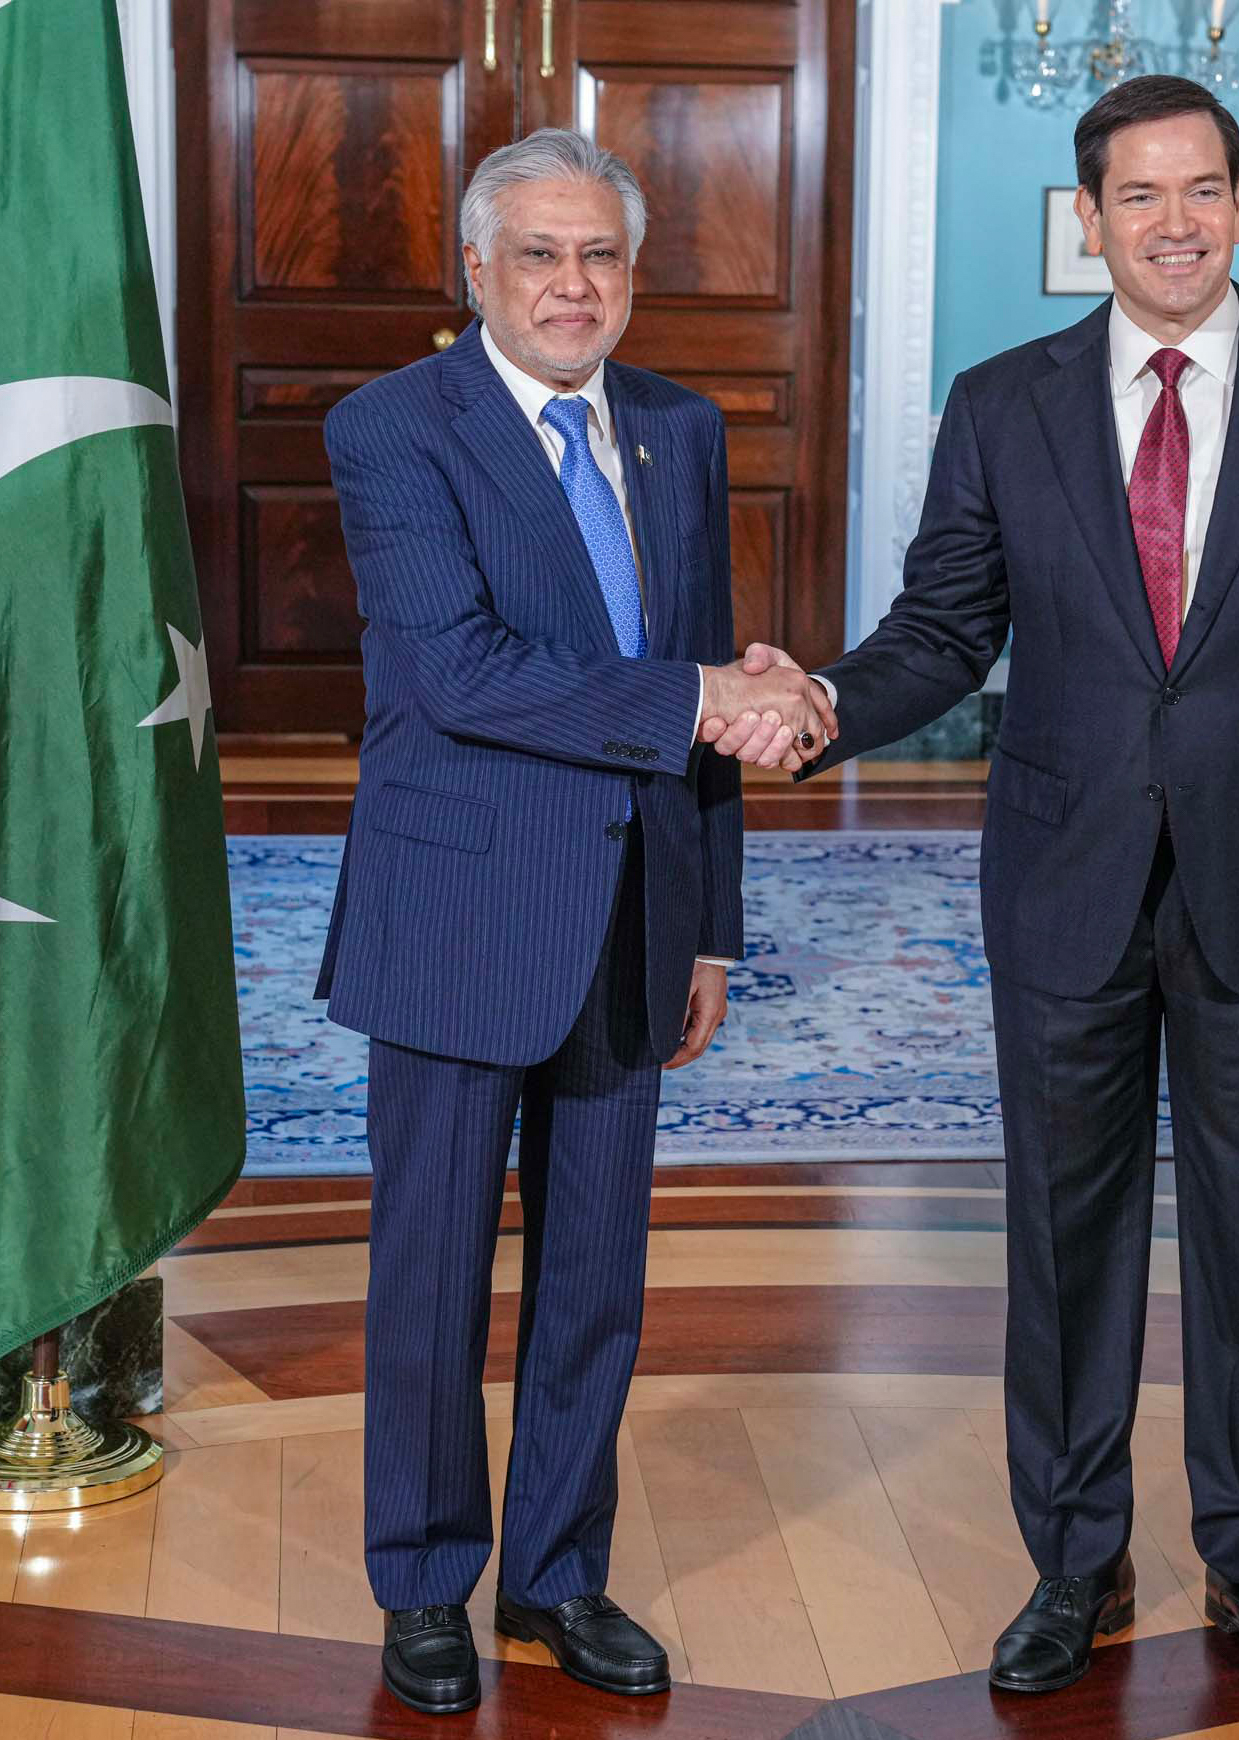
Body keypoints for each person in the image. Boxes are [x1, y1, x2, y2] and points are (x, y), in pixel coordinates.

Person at [705, 76, 1239, 1702]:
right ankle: (1077, 1562)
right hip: (1065, 880)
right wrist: (825, 699)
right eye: (1140, 196)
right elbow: (941, 630)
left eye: (1201, 192)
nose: (1173, 223)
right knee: (1064, 1241)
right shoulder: (1003, 402)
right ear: (1090, 216)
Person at [319, 128, 834, 1716]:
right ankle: (421, 1582)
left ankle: (556, 1577)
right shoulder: (392, 427)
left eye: (599, 254)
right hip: (461, 907)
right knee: (432, 1269)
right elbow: (458, 669)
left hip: (633, 910)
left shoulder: (677, 429)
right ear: (474, 269)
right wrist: (705, 697)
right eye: (538, 253)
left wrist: (711, 925)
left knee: (598, 1274)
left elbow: (695, 680)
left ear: (632, 274)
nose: (571, 284)